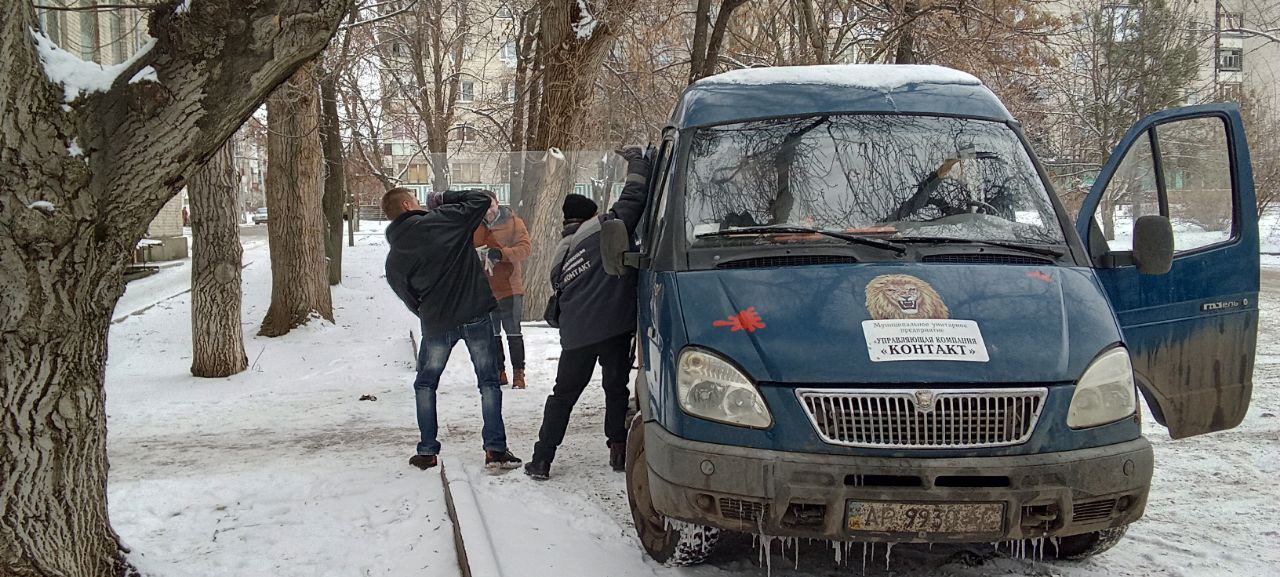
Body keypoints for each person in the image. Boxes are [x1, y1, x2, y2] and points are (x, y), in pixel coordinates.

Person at [524, 147, 651, 480]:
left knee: (563, 396)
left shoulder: (562, 251)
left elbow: (559, 290)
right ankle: (618, 450)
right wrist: (637, 160)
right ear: (592, 213)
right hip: (614, 328)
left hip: (577, 335)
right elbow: (635, 195)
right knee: (615, 388)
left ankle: (541, 460)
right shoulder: (607, 227)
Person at [382, 187, 523, 472]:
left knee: (425, 384)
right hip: (475, 313)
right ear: (409, 205)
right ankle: (495, 450)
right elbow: (482, 199)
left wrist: (428, 312)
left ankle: (427, 451)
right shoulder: (445, 219)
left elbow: (407, 295)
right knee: (488, 382)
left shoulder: (395, 257)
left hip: (437, 323)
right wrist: (445, 197)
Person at [472, 190, 532, 389]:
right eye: (484, 207)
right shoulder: (472, 226)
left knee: (513, 332)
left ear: (497, 204)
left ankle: (519, 373)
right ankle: (499, 371)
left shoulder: (514, 222)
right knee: (492, 334)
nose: (488, 211)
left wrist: (502, 253)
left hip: (510, 287)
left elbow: (525, 249)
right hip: (485, 288)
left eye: (491, 206)